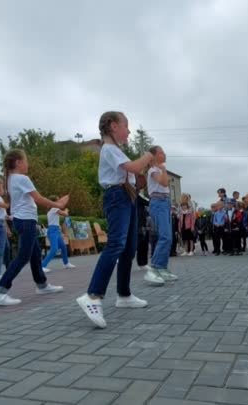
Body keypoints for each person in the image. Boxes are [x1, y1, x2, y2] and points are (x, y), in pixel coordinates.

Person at [76, 111, 154, 328]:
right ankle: (92, 295)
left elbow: (134, 175)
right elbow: (134, 167)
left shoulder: (117, 151)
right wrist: (148, 156)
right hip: (117, 197)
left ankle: (124, 294)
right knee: (116, 244)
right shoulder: (109, 149)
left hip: (127, 196)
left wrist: (139, 178)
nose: (128, 131)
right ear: (112, 126)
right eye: (125, 126)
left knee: (129, 247)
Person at [0, 149, 70, 306]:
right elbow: (39, 199)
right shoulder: (22, 178)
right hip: (26, 221)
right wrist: (59, 204)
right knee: (23, 256)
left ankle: (42, 285)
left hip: (22, 220)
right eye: (26, 161)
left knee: (35, 254)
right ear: (18, 162)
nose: (28, 164)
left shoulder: (11, 179)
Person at [145, 145, 173, 284]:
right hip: (158, 202)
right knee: (165, 236)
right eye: (161, 152)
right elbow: (163, 182)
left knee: (168, 237)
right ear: (154, 156)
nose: (164, 154)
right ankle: (154, 268)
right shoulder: (153, 170)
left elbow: (165, 184)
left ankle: (162, 268)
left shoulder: (159, 169)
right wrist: (163, 169)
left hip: (165, 202)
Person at [42, 195, 76, 271]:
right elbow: (65, 214)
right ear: (54, 202)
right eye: (58, 201)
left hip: (56, 231)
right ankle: (42, 266)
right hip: (53, 231)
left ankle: (66, 263)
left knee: (63, 247)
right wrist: (66, 210)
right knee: (54, 249)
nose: (59, 202)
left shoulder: (52, 209)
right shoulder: (54, 208)